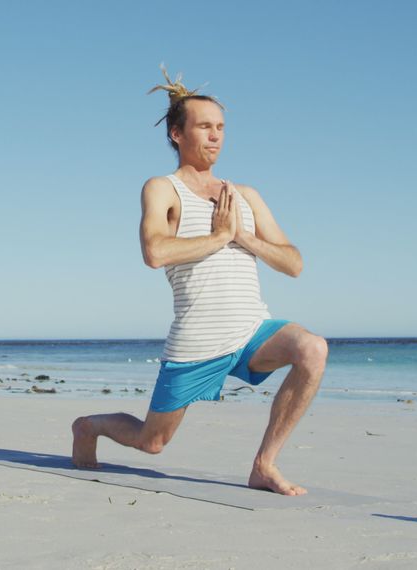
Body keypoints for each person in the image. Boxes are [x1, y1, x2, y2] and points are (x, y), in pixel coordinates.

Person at [71, 65, 328, 496]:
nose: (216, 136)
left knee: (312, 348)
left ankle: (264, 465)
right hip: (197, 341)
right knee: (152, 442)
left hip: (251, 331)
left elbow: (294, 263)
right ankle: (88, 426)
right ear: (177, 134)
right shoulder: (163, 189)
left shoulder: (245, 196)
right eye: (205, 127)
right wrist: (217, 237)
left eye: (221, 128)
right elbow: (155, 252)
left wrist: (242, 236)